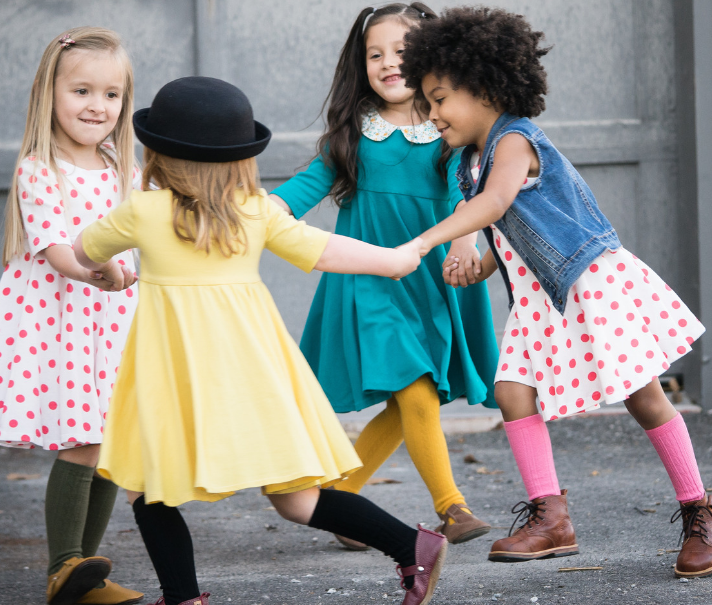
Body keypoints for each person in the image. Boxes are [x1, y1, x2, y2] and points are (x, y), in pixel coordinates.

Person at [73, 76, 449, 605]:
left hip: (175, 374)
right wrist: (398, 259)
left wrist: (104, 272)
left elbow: (82, 251)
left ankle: (184, 597)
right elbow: (325, 249)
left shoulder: (141, 210)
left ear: (156, 153)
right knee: (297, 501)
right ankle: (411, 546)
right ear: (241, 158)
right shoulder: (256, 211)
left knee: (148, 485)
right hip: (255, 375)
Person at [398, 6, 711, 578]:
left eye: (440, 98)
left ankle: (699, 510)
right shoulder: (472, 161)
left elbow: (494, 205)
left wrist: (425, 243)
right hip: (541, 296)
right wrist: (485, 261)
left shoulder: (515, 140)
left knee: (643, 397)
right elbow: (514, 225)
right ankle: (552, 517)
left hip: (591, 283)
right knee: (513, 390)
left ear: (485, 88)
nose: (433, 113)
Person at [269, 3, 499, 547]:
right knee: (415, 387)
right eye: (375, 54)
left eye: (402, 51)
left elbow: (471, 198)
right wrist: (262, 212)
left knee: (411, 400)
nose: (389, 63)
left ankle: (343, 502)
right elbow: (301, 189)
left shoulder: (453, 126)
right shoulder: (354, 132)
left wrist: (465, 250)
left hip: (433, 279)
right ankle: (452, 507)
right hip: (369, 278)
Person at [0, 27, 143, 605]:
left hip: (111, 322)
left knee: (111, 442)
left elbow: (144, 232)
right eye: (82, 90)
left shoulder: (120, 164)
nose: (97, 106)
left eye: (111, 95)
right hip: (62, 319)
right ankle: (65, 565)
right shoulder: (40, 168)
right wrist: (95, 270)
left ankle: (83, 574)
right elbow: (58, 249)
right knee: (84, 439)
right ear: (49, 94)